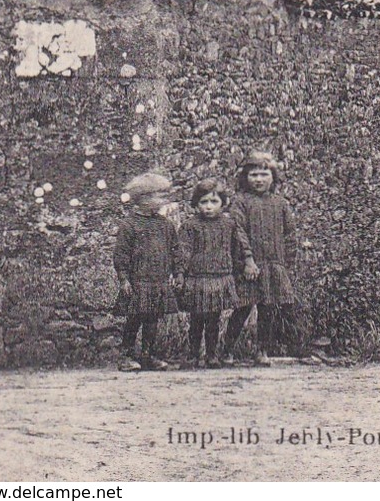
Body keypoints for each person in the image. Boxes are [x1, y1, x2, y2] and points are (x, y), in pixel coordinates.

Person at [223, 151, 300, 366]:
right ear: (245, 177)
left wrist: (285, 264)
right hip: (250, 267)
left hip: (273, 265)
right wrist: (247, 260)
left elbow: (290, 234)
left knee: (268, 310)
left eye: (264, 174)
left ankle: (262, 350)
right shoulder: (241, 202)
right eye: (254, 174)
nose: (258, 179)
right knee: (242, 308)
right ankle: (227, 350)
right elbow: (238, 232)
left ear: (273, 177)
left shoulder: (280, 204)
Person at [175, 177, 249, 369]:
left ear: (223, 203)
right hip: (198, 279)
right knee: (196, 319)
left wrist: (238, 270)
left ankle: (211, 354)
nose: (208, 207)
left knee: (214, 320)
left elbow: (236, 249)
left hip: (219, 278)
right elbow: (183, 251)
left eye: (214, 202)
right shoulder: (190, 226)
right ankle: (192, 354)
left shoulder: (229, 225)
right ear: (196, 204)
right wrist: (180, 274)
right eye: (204, 202)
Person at [113, 171, 178, 371]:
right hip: (138, 282)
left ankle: (148, 355)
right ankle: (126, 356)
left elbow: (174, 251)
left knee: (152, 321)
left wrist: (176, 274)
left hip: (158, 282)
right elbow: (121, 254)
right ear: (143, 198)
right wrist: (124, 279)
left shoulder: (166, 225)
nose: (163, 200)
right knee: (134, 319)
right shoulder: (129, 225)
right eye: (159, 195)